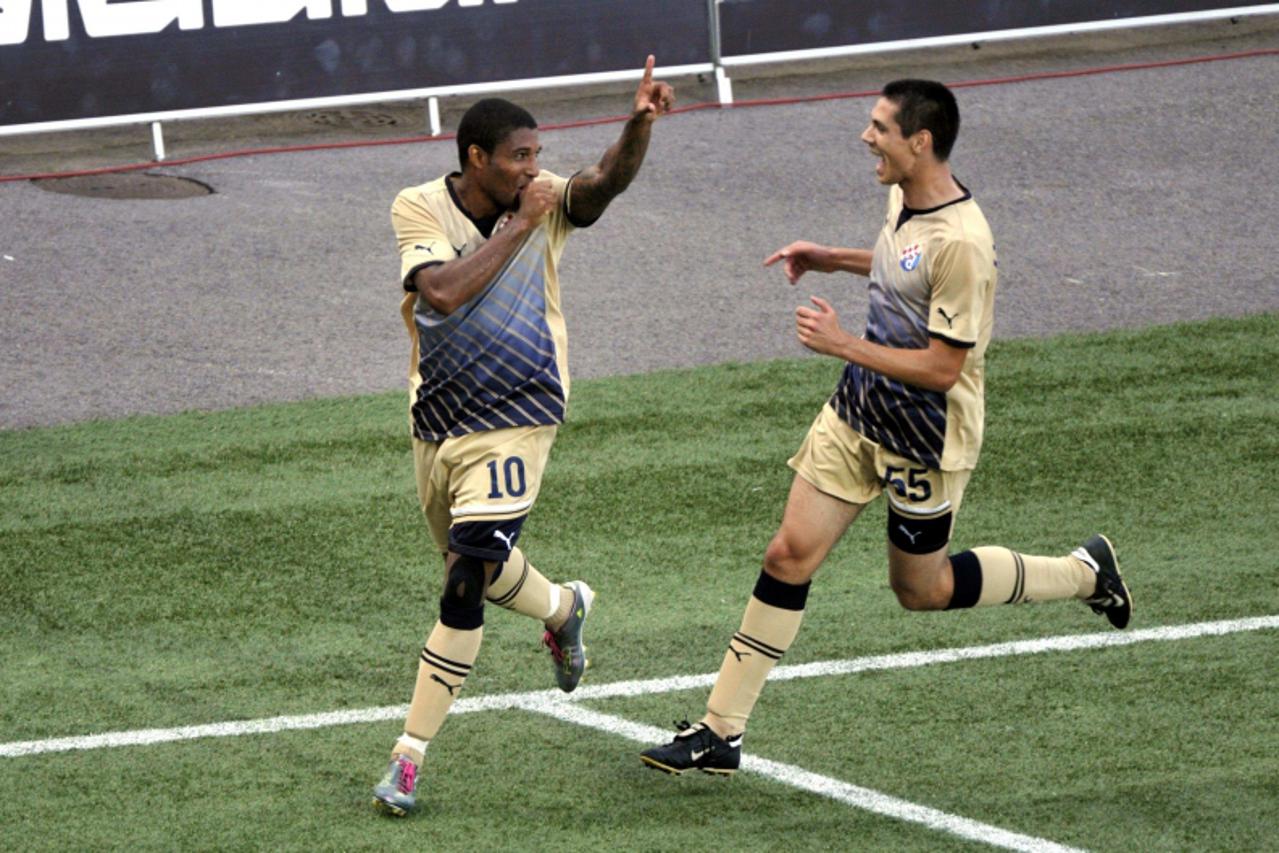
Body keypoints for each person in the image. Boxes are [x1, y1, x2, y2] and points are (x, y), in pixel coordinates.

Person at [639, 79, 1132, 776]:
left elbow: (940, 367)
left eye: (878, 127)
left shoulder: (963, 243)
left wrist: (841, 343)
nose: (866, 137)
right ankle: (721, 730)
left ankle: (1083, 574)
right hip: (859, 409)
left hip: (924, 435)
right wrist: (830, 257)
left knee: (920, 590)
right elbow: (902, 269)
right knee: (787, 554)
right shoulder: (903, 197)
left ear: (919, 141)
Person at [372, 56, 675, 816]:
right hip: (438, 419)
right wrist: (520, 224)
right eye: (519, 158)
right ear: (477, 159)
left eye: (538, 157)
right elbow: (440, 290)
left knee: (464, 580)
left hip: (520, 413)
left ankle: (407, 759)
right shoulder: (418, 206)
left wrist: (637, 125)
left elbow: (603, 182)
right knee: (479, 562)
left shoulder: (548, 202)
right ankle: (564, 608)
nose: (534, 170)